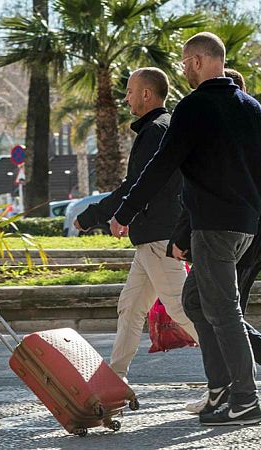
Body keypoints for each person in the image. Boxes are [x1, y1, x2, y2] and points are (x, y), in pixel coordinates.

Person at [110, 32, 261, 426]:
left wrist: (126, 211)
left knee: (224, 311)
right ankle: (221, 391)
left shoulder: (193, 107)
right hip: (243, 228)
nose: (184, 69)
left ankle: (245, 400)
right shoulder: (252, 108)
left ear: (201, 62)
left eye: (187, 62)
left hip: (214, 227)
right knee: (193, 302)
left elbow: (162, 166)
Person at [176, 68, 261, 414]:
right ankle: (226, 386)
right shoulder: (246, 121)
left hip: (242, 235)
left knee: (222, 310)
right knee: (205, 303)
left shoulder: (237, 124)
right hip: (248, 232)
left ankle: (248, 386)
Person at [74, 67, 197, 382]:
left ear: (146, 94)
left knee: (185, 311)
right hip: (152, 237)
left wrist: (94, 215)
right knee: (130, 307)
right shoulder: (166, 127)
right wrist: (127, 215)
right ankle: (115, 376)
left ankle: (240, 371)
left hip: (159, 237)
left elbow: (138, 185)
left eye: (130, 92)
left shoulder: (156, 130)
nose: (125, 98)